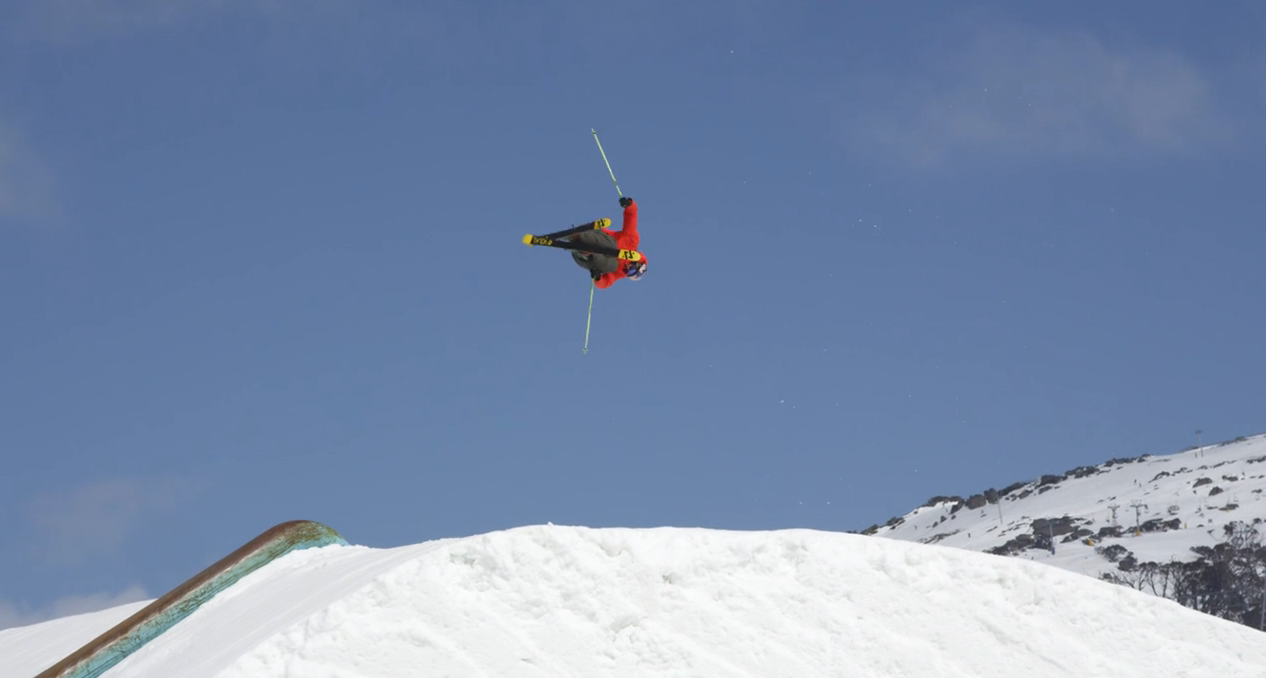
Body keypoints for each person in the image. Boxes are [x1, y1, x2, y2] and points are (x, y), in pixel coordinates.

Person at [568, 196, 647, 288]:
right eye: (632, 270)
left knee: (610, 267)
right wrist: (629, 204)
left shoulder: (620, 272)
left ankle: (582, 252)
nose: (628, 270)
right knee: (613, 253)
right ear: (638, 264)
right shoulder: (632, 241)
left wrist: (598, 278)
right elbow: (631, 218)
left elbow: (606, 282)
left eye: (628, 273)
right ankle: (579, 237)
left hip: (584, 256)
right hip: (597, 236)